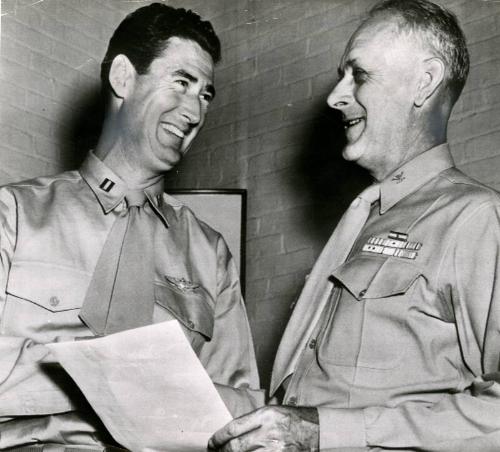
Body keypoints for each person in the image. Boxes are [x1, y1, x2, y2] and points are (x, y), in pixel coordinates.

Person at [209, 0, 500, 450]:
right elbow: (315, 400)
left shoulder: (476, 218)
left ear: (423, 82)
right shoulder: (366, 219)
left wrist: (327, 432)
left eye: (358, 75)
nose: (335, 96)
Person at [0, 3, 262, 450]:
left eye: (205, 94)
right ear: (123, 78)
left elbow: (241, 411)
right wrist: (57, 419)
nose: (195, 111)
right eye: (181, 83)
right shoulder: (14, 215)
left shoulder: (209, 251)